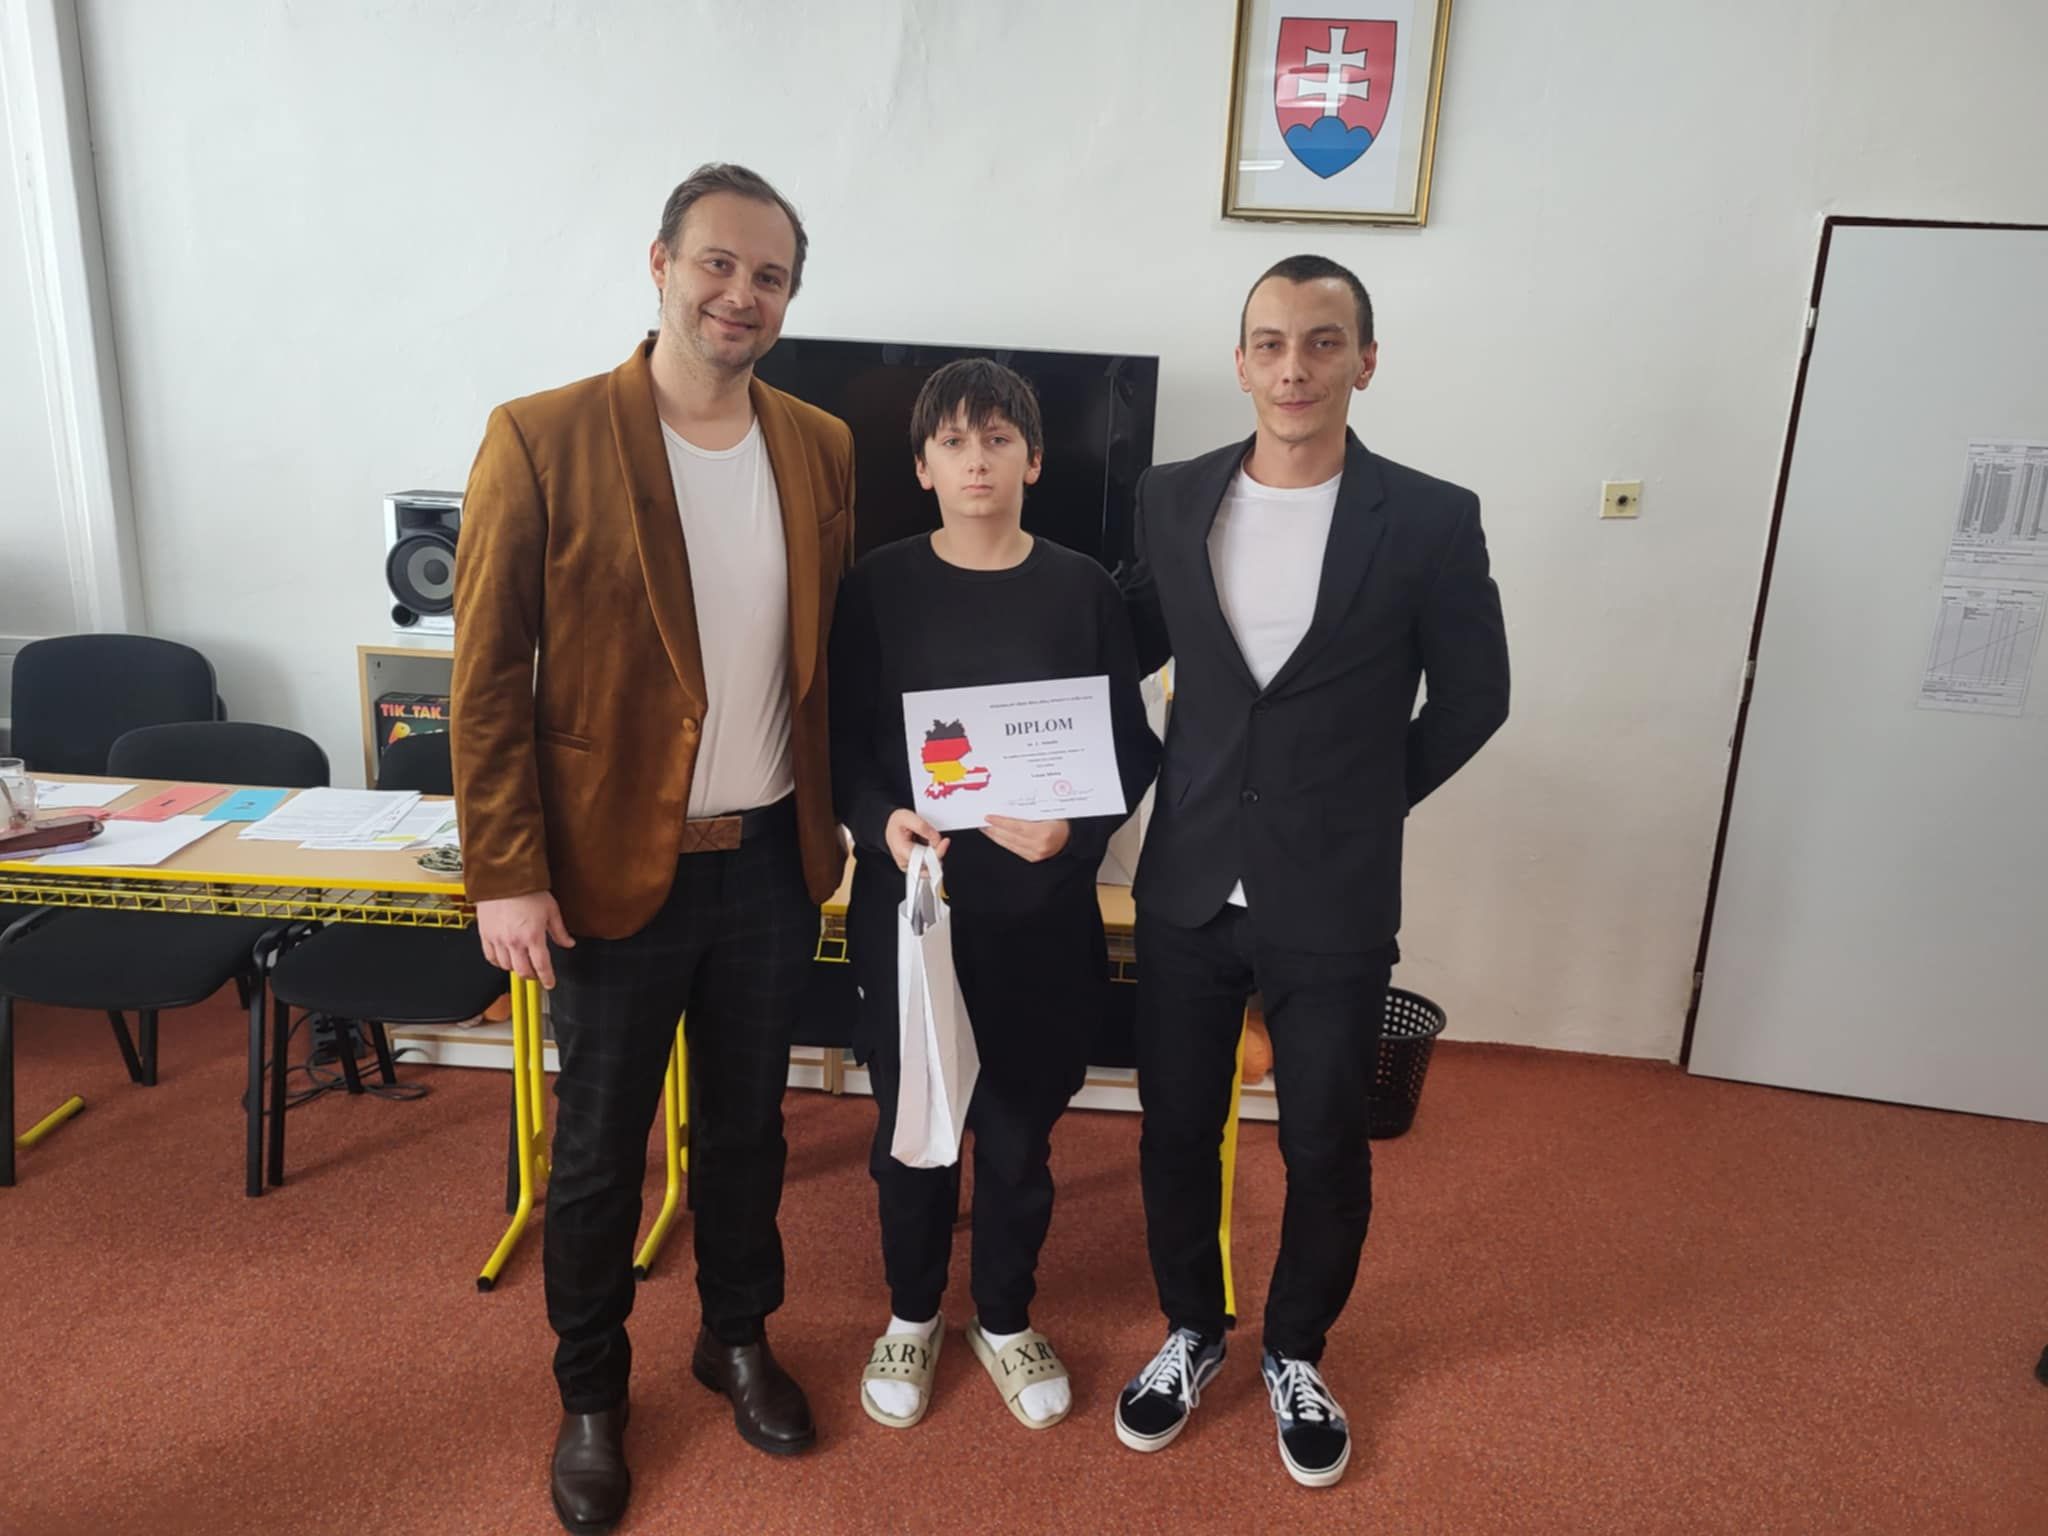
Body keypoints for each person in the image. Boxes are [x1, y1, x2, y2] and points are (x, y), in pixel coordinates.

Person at [450, 163, 853, 1534]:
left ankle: (734, 1337)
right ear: (661, 265)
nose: (742, 294)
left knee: (748, 1132)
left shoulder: (819, 445)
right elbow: (486, 678)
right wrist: (506, 870)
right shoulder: (541, 437)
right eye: (719, 264)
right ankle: (590, 1394)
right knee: (596, 1155)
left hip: (769, 864)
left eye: (770, 276)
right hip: (609, 869)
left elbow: (827, 656)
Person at [1112, 255, 1510, 1488]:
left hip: (1331, 894)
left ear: (1363, 361)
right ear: (1240, 362)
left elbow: (1476, 696)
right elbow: (1123, 648)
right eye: (1272, 343)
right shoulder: (1171, 497)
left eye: (1323, 342)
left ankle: (1293, 1350)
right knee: (1174, 1130)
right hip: (1185, 883)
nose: (1294, 367)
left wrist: (1358, 807)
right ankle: (1191, 1330)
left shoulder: (1430, 517)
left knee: (1326, 1143)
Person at [828, 357, 1159, 1434]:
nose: (978, 460)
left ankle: (1006, 1318)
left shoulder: (1083, 588)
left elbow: (1128, 748)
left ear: (1034, 459)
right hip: (914, 909)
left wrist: (1076, 833)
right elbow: (841, 742)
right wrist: (878, 818)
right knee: (911, 1129)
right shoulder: (875, 586)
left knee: (1018, 1137)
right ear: (923, 467)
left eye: (998, 439)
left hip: (1042, 916)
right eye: (954, 442)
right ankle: (913, 1315)